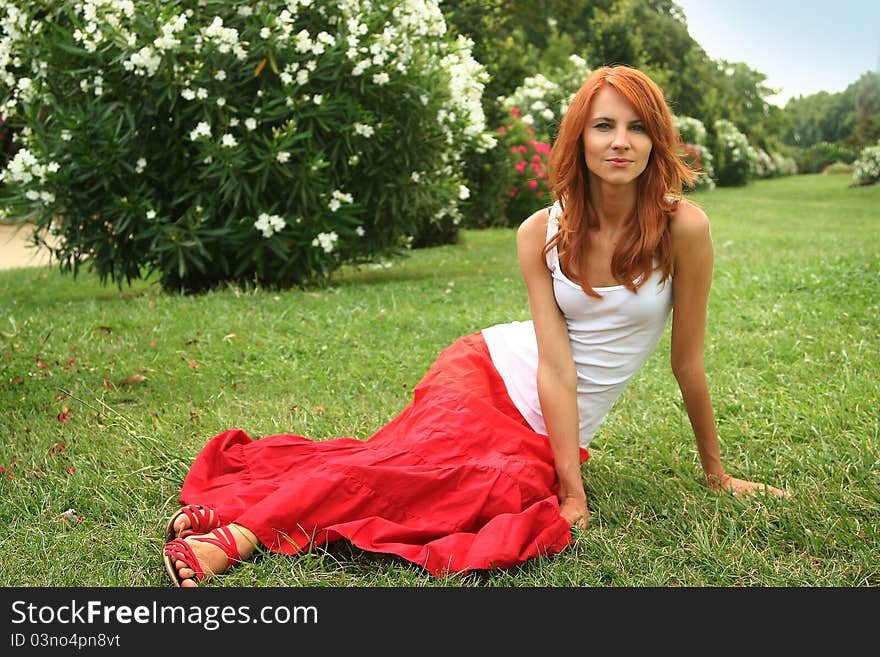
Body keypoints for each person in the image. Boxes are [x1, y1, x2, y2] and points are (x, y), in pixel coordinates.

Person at [163, 65, 789, 587]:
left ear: (657, 142)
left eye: (637, 127)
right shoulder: (540, 232)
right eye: (603, 125)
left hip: (543, 419)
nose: (620, 141)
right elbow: (555, 365)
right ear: (579, 138)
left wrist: (716, 472)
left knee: (463, 489)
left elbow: (688, 363)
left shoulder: (685, 229)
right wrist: (570, 491)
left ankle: (238, 506)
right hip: (488, 374)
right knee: (420, 473)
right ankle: (240, 531)